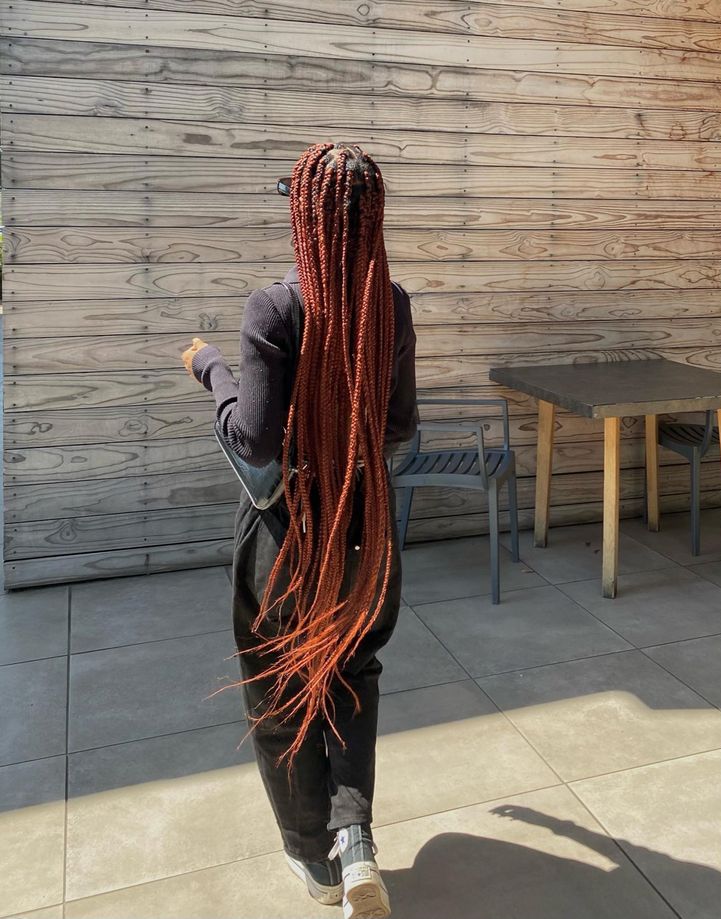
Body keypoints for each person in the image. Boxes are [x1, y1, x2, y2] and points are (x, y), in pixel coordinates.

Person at [181, 142, 418, 919]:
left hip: (288, 546)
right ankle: (358, 846)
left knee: (282, 694)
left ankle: (314, 859)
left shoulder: (273, 309)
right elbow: (398, 427)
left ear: (303, 215)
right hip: (366, 535)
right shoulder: (392, 305)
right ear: (373, 219)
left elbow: (252, 441)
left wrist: (211, 366)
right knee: (353, 678)